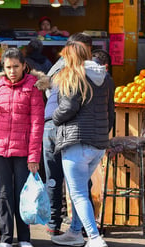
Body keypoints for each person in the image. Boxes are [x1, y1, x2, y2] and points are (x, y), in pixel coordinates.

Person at [50, 39, 115, 247]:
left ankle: (94, 238)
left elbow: (68, 107)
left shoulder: (74, 75)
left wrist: (54, 118)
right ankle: (75, 231)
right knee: (80, 190)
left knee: (77, 193)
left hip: (77, 143)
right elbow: (110, 111)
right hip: (97, 144)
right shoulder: (104, 77)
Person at [0, 47, 48, 247]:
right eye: (8, 67)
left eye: (15, 66)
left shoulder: (33, 87)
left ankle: (24, 238)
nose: (12, 71)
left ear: (23, 66)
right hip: (0, 149)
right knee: (4, 194)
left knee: (23, 195)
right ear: (3, 68)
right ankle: (5, 238)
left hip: (23, 151)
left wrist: (34, 156)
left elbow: (37, 124)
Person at [43, 33, 97, 236]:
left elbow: (49, 94)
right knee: (80, 180)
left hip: (51, 124)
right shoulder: (84, 70)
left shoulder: (57, 66)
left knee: (54, 177)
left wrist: (51, 120)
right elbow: (71, 105)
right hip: (68, 126)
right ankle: (82, 226)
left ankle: (53, 223)